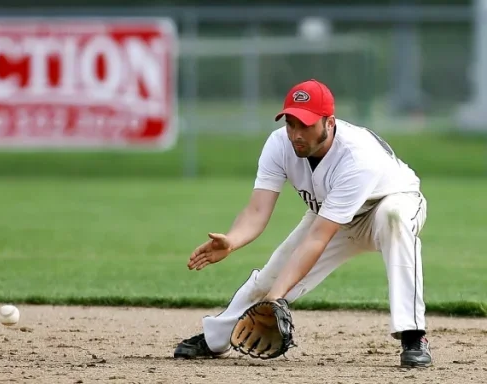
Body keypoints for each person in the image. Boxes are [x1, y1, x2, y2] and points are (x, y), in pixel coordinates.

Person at [172, 79, 432, 368]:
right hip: (329, 214)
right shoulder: (279, 144)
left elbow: (317, 239)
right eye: (291, 123)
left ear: (329, 122)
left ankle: (413, 334)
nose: (296, 133)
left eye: (305, 125)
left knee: (393, 219)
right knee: (272, 277)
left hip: (388, 203)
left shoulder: (358, 158)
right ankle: (217, 338)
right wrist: (233, 240)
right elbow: (258, 209)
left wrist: (275, 299)